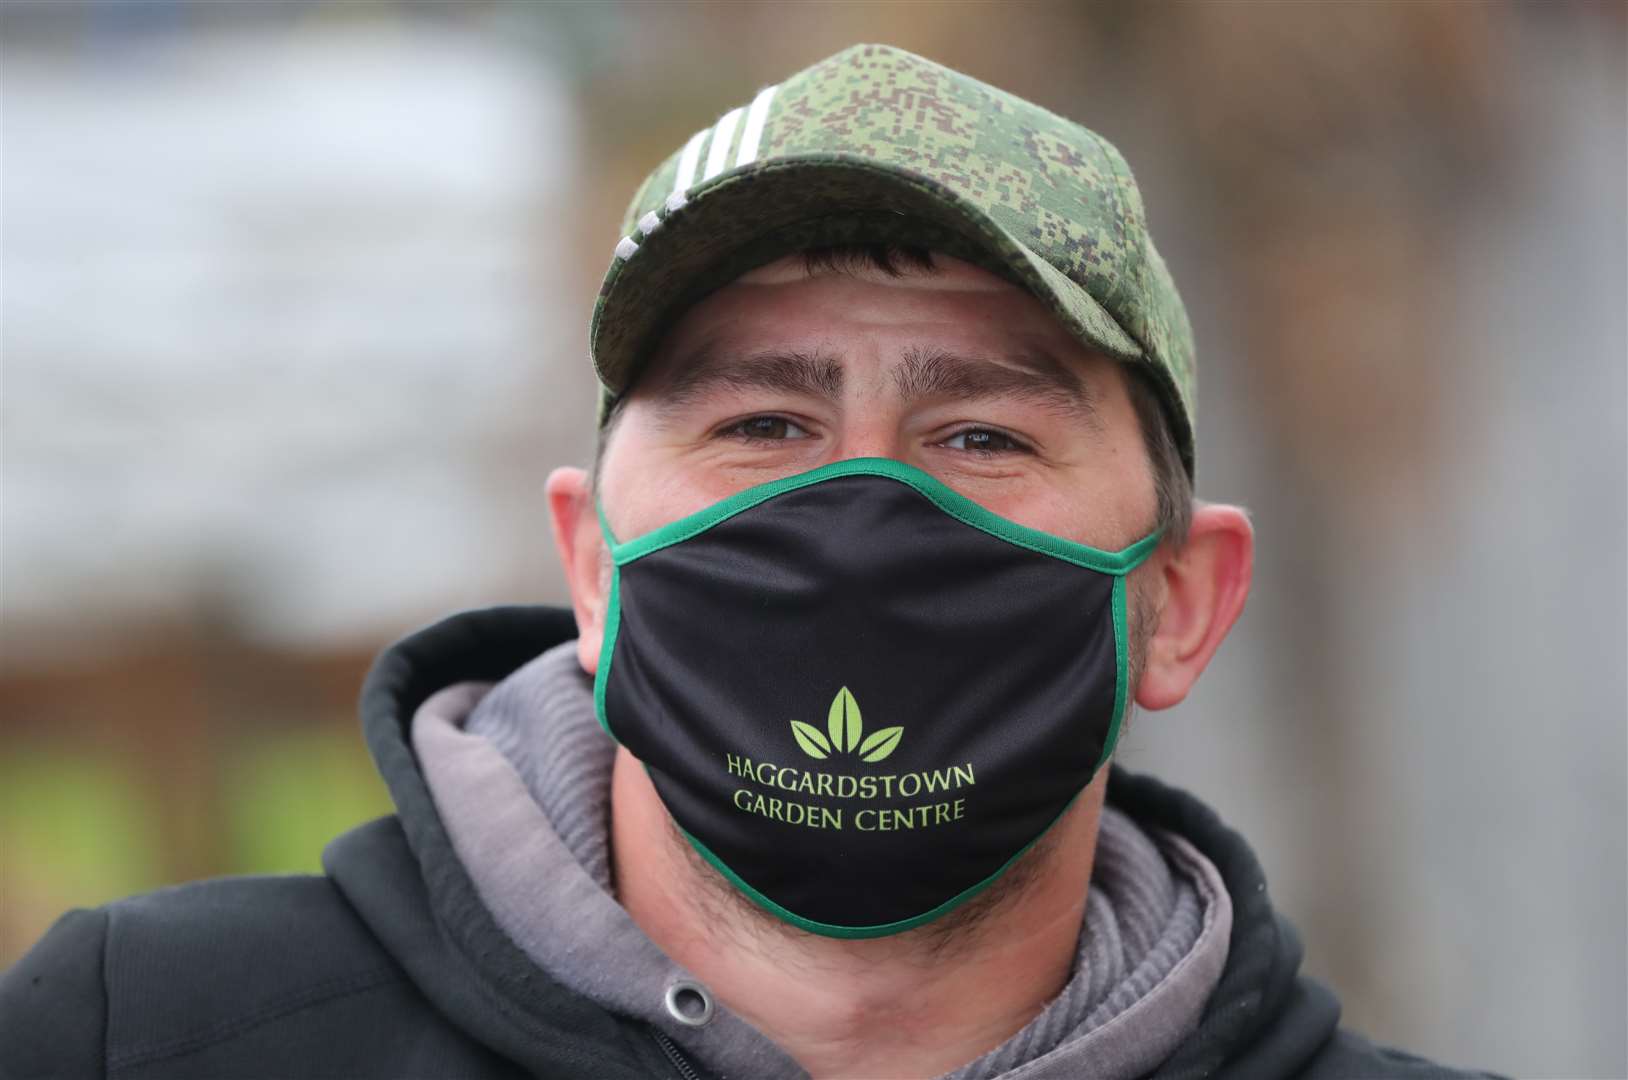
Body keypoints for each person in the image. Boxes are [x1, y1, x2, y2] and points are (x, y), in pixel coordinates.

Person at [1, 44, 1500, 1080]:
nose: (859, 507)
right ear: (592, 566)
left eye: (980, 434)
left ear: (1175, 603)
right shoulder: (140, 1038)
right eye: (765, 420)